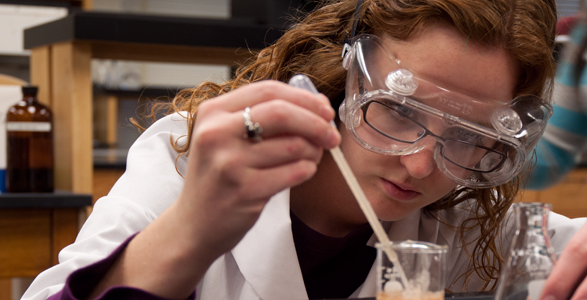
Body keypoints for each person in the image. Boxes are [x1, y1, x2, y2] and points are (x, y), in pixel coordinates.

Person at [22, 0, 586, 299]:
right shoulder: (186, 165)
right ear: (347, 75)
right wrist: (192, 229)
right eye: (402, 110)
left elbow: (569, 245)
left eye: (469, 135)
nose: (419, 166)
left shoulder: (454, 217)